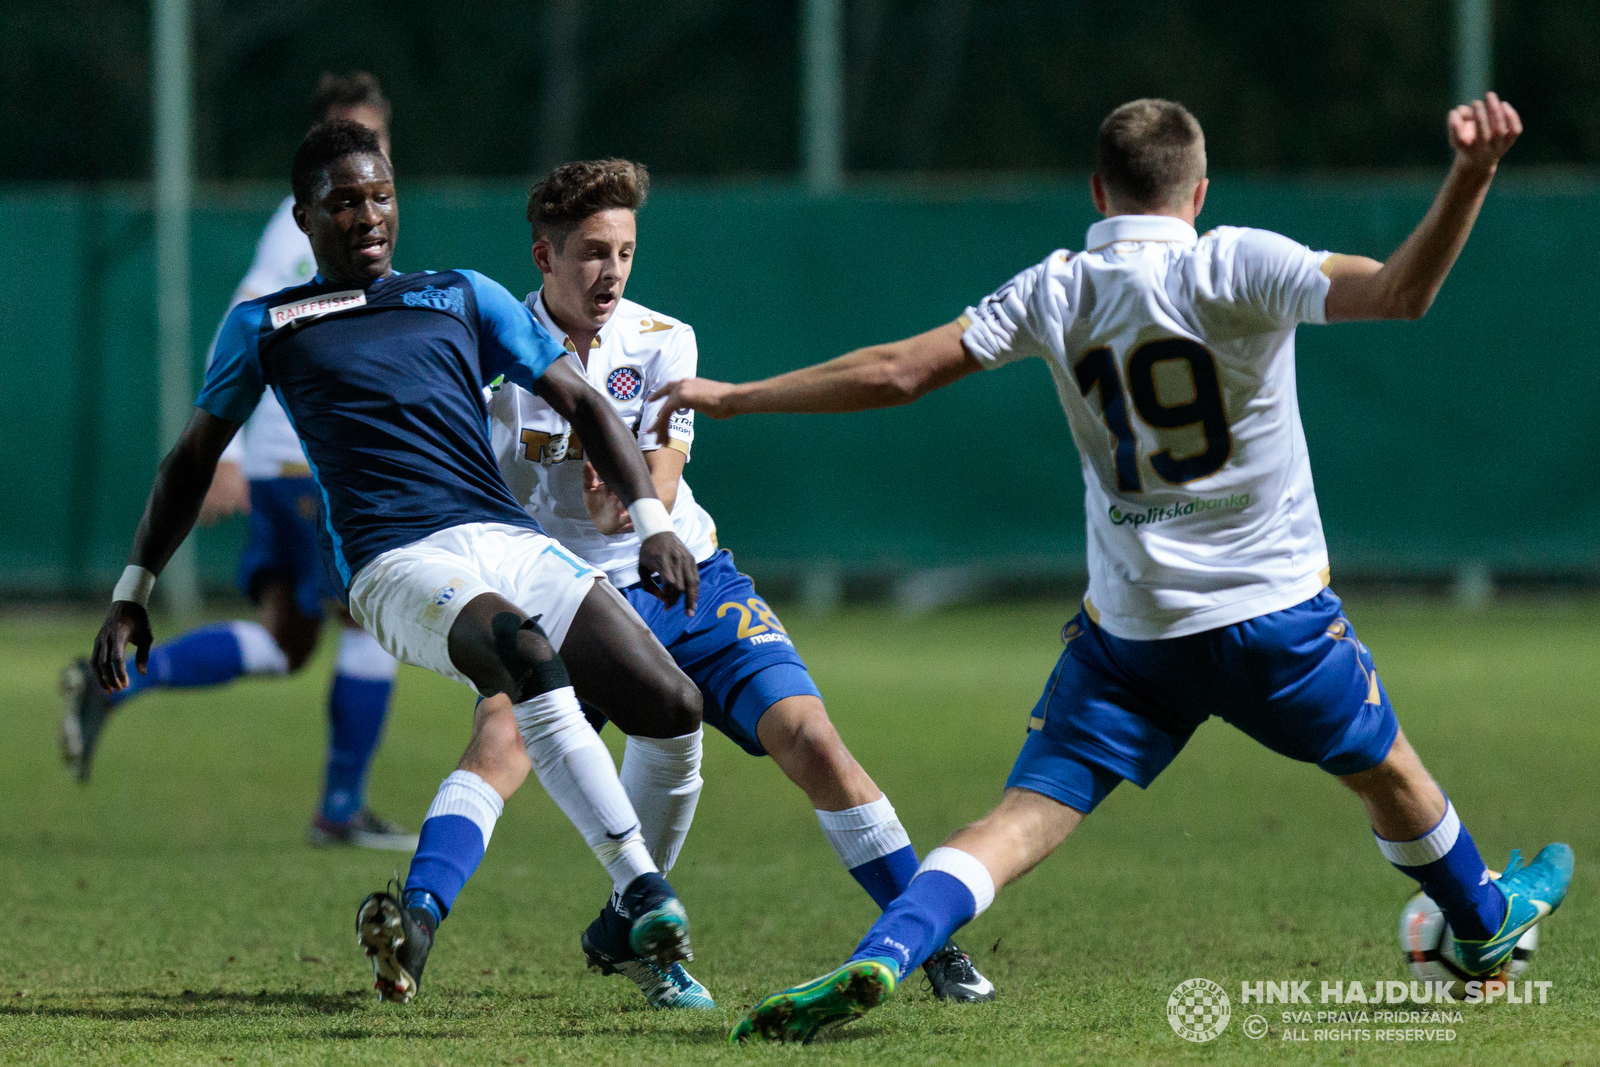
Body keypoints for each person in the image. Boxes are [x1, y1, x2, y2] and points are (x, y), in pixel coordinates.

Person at [649, 95, 1575, 1043]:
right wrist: (1471, 175)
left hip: (1134, 637)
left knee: (1017, 819)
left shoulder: (1058, 287)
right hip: (1277, 623)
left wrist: (738, 396)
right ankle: (1482, 921)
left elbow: (897, 371)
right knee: (1391, 774)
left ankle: (889, 949)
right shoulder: (1239, 260)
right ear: (1200, 189)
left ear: (1097, 189)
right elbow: (1402, 293)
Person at [89, 120, 708, 1006]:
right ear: (305, 219)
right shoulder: (269, 325)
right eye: (345, 202)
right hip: (395, 563)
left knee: (673, 704)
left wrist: (652, 516)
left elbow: (579, 397)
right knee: (527, 657)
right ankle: (644, 888)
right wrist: (132, 591)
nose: (370, 216)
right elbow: (190, 461)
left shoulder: (459, 293)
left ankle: (623, 913)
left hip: (511, 541)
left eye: (381, 197)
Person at [484, 158, 996, 1009]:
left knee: (815, 741)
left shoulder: (662, 337)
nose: (610, 271)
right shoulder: (495, 356)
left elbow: (660, 474)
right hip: (570, 599)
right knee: (497, 749)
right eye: (590, 252)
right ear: (543, 255)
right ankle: (421, 914)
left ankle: (929, 941)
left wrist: (634, 492)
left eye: (625, 251)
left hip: (685, 575)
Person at [59, 72, 413, 851]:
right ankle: (341, 807)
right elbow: (248, 318)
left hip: (285, 462)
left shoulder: (344, 219)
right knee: (369, 625)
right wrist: (233, 451)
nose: (369, 153)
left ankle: (114, 685)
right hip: (304, 462)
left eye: (378, 138)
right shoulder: (305, 232)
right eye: (354, 134)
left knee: (287, 639)